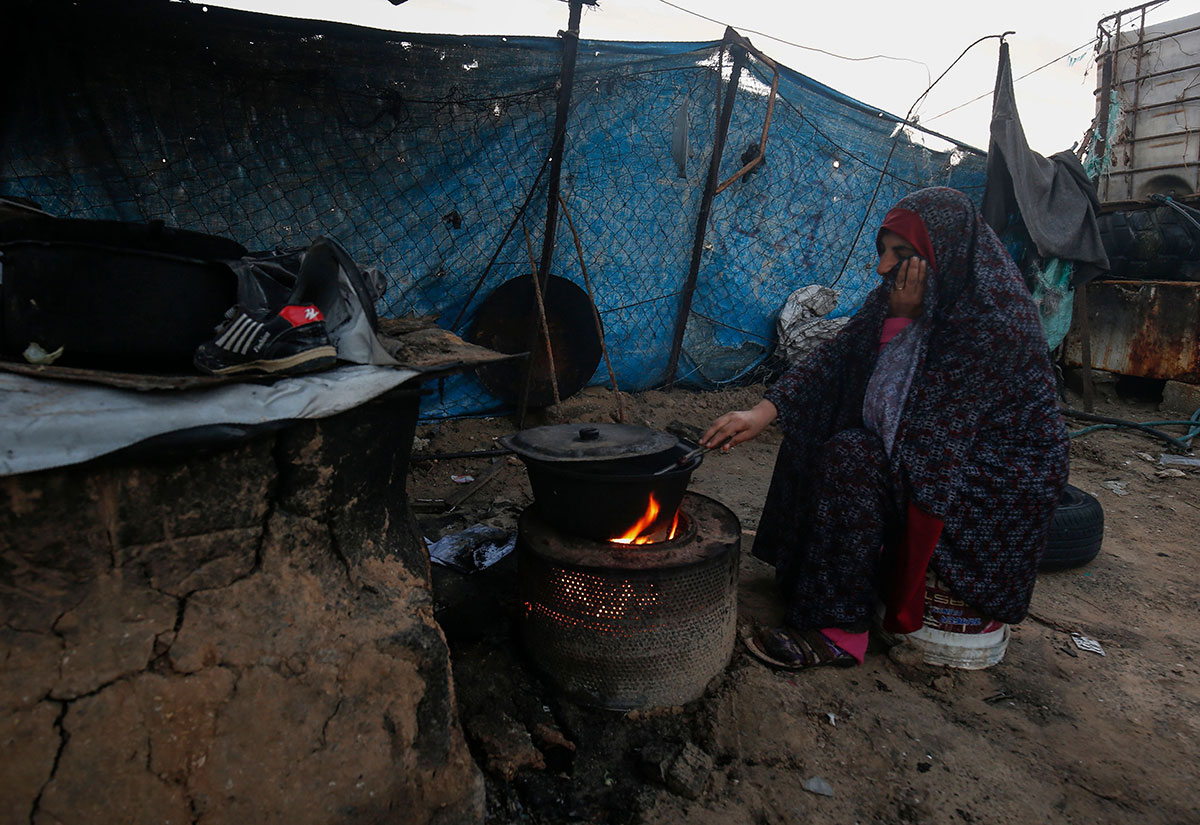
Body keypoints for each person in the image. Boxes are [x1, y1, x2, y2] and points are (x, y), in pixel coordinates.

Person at [702, 186, 1068, 670]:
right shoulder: (903, 294)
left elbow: (929, 430)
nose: (882, 268)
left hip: (988, 484)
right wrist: (764, 411)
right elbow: (839, 357)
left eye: (902, 254)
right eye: (883, 252)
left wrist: (900, 323)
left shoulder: (995, 322)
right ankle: (810, 581)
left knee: (851, 459)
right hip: (930, 448)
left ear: (944, 252)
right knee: (814, 428)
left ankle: (838, 632)